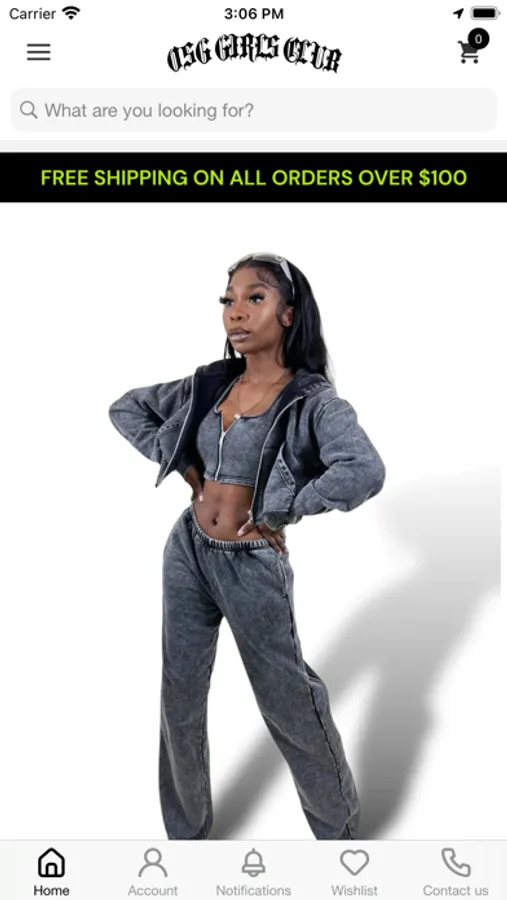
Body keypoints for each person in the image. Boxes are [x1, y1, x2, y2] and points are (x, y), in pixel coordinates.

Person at [109, 252, 386, 841]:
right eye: (228, 300)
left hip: (250, 563)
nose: (236, 311)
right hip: (187, 550)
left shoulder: (312, 401)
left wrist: (285, 508)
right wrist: (184, 464)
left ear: (288, 314)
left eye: (254, 298)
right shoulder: (210, 384)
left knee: (287, 699)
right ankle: (186, 834)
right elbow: (128, 408)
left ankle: (338, 834)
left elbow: (364, 469)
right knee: (180, 694)